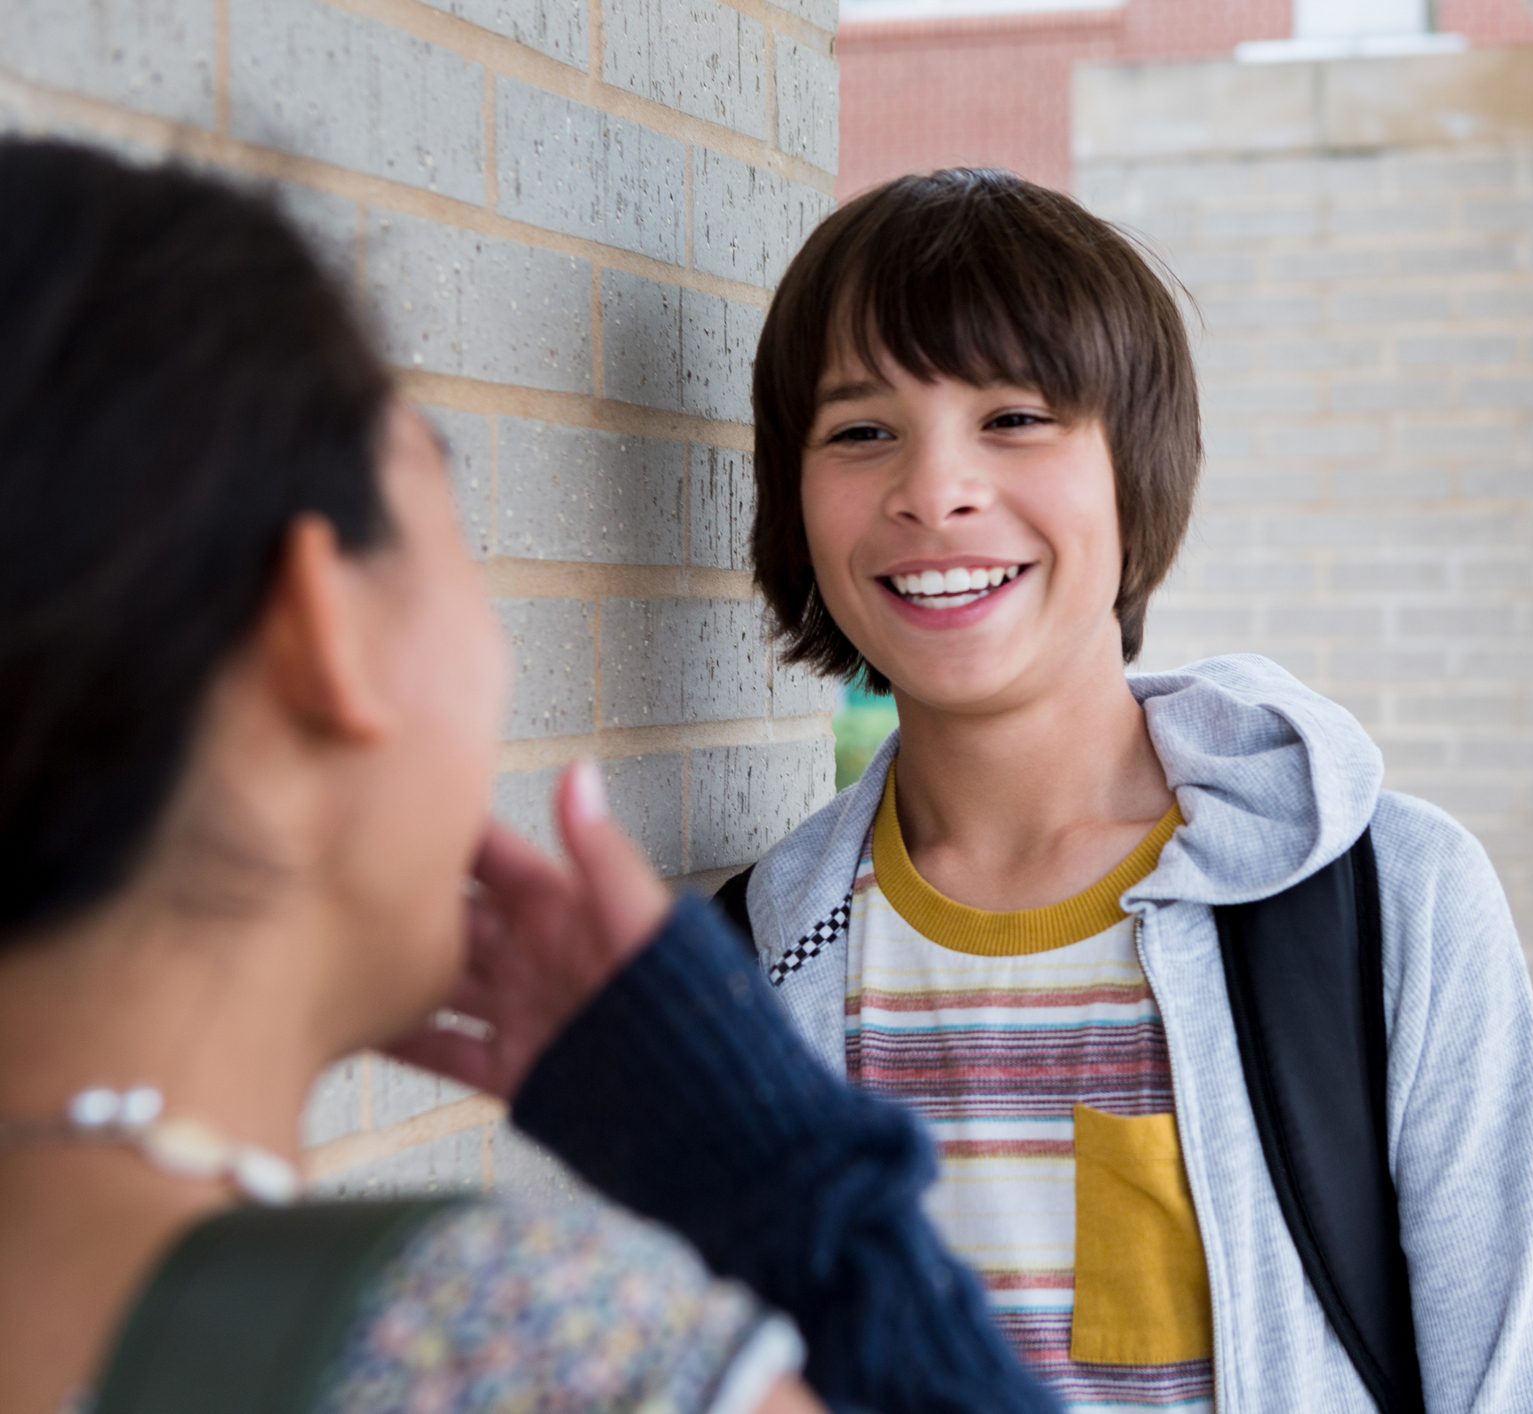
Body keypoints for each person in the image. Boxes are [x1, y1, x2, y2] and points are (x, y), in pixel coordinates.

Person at [0, 139, 1057, 1414]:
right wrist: (770, 1171)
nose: (937, 491)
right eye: (447, 522)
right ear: (320, 630)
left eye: (1012, 417)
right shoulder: (520, 1347)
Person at [720, 166, 1533, 1409]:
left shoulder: (1382, 901)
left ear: (1135, 473)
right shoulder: (749, 967)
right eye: (861, 429)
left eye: (1014, 418)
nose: (933, 490)